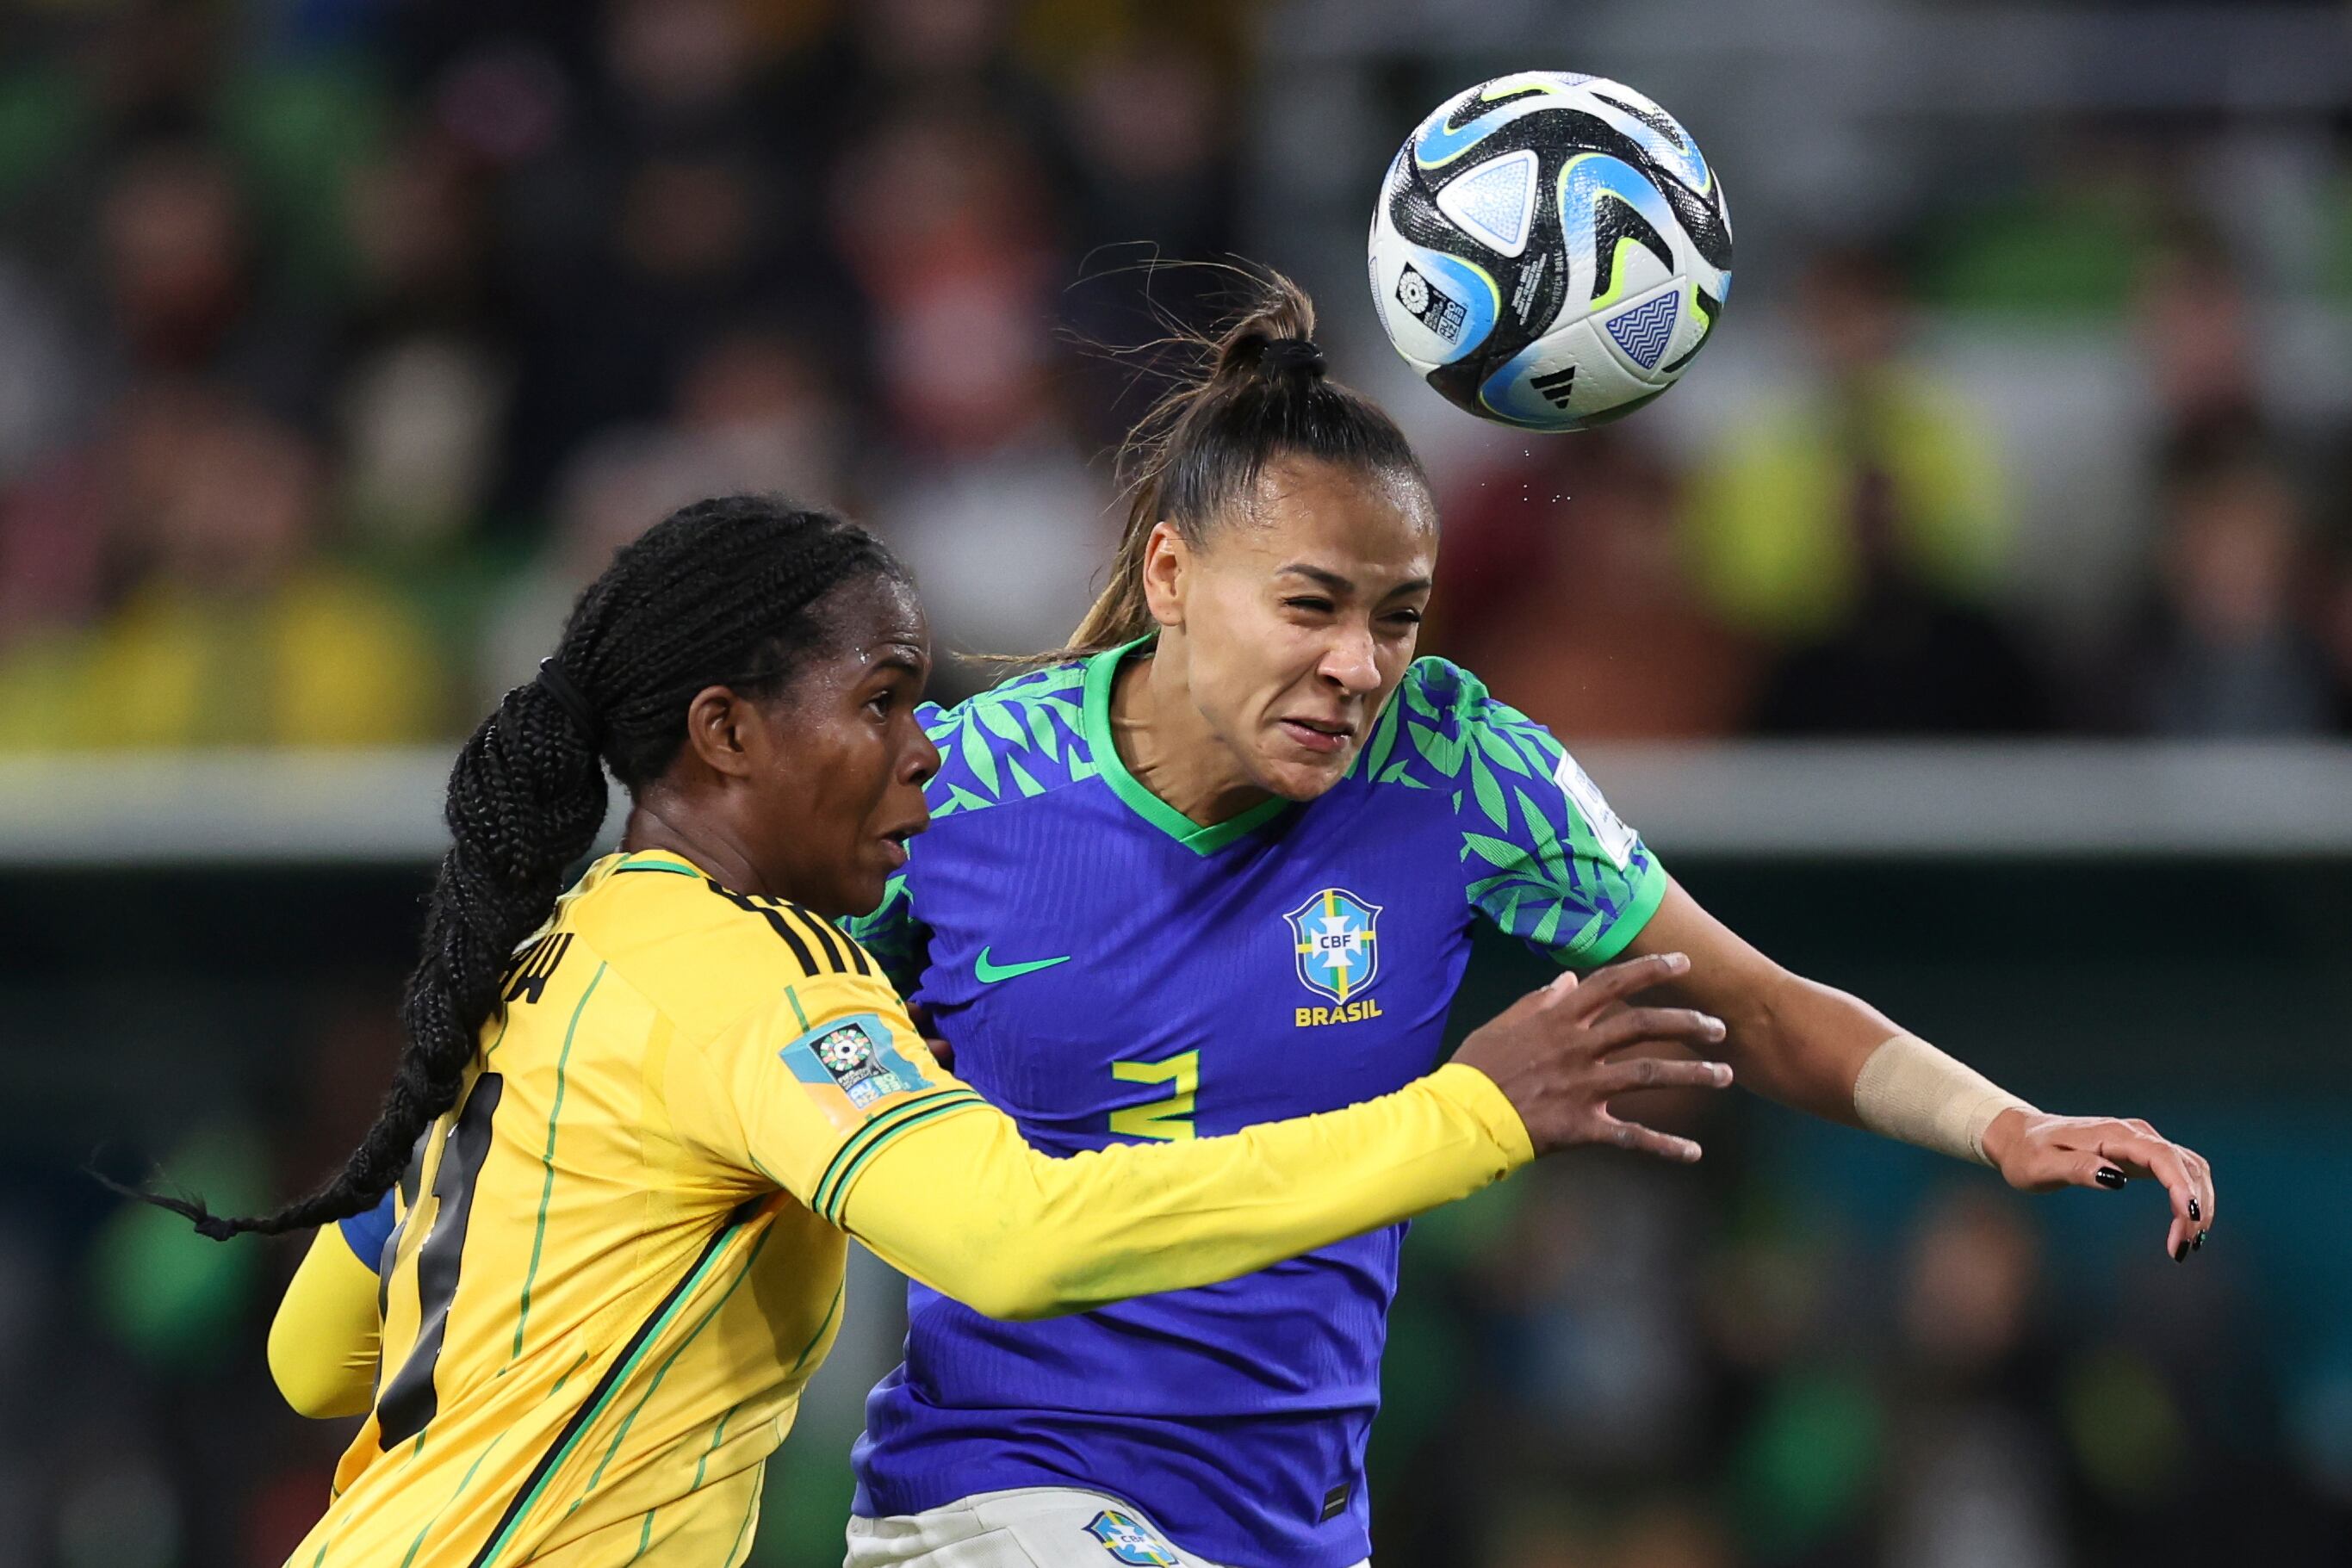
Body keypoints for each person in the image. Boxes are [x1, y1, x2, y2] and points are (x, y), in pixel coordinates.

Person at [841, 270, 2218, 1568]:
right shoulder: (963, 784)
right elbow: (760, 1020)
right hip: (990, 1491)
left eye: (1399, 618)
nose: (1357, 665)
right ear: (1169, 576)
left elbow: (1756, 1001)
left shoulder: (1454, 764)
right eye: (1310, 605)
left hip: (1289, 1515)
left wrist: (1998, 1122)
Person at [115, 495, 1735, 1566]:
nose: (927, 752)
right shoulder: (760, 980)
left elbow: (316, 1356)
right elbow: (1015, 1240)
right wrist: (1469, 1113)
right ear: (727, 732)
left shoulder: (558, 958)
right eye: (884, 701)